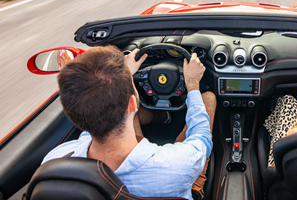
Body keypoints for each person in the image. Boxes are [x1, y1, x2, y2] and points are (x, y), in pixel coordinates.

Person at [42, 45, 216, 200]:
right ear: (133, 104)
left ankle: (163, 118)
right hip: (178, 183)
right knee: (208, 98)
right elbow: (201, 138)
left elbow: (92, 119)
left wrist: (127, 75)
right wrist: (192, 84)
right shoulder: (179, 164)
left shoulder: (55, 161)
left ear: (73, 115)